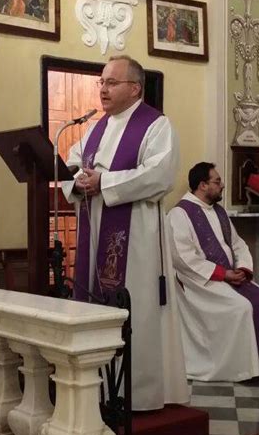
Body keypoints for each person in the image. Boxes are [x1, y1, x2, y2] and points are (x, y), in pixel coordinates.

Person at [62, 55, 188, 411]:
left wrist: (105, 181)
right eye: (101, 82)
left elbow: (160, 175)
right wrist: (78, 182)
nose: (102, 89)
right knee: (97, 302)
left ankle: (136, 392)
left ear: (134, 88)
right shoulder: (96, 128)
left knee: (137, 305)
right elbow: (72, 164)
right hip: (95, 222)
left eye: (111, 83)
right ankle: (97, 387)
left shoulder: (156, 125)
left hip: (136, 233)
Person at [167, 162, 259, 382]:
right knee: (242, 308)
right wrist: (223, 274)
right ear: (202, 185)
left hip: (231, 278)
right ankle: (240, 369)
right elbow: (183, 258)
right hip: (202, 283)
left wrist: (242, 268)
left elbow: (237, 244)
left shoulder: (219, 211)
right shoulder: (179, 214)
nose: (222, 186)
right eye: (217, 182)